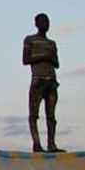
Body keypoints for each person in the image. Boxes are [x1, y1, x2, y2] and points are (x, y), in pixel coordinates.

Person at [23, 12, 63, 153]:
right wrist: (44, 57)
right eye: (42, 22)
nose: (45, 24)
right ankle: (37, 144)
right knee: (34, 114)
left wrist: (49, 58)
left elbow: (56, 63)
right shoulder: (30, 40)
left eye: (47, 22)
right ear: (36, 24)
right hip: (38, 80)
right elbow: (25, 60)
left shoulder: (51, 43)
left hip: (51, 81)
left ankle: (51, 144)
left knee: (51, 115)